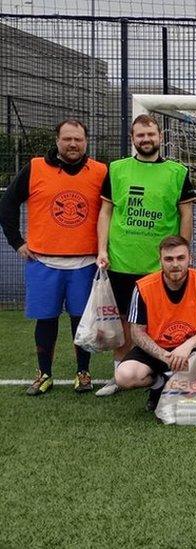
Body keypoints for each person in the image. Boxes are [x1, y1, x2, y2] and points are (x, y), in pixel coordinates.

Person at [0, 119, 106, 395]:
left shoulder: (100, 171)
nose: (73, 144)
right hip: (43, 261)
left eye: (78, 140)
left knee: (80, 320)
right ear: (57, 141)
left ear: (86, 142)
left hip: (85, 262)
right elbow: (7, 204)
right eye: (67, 139)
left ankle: (83, 372)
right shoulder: (35, 168)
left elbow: (110, 212)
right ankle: (44, 373)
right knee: (45, 320)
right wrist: (17, 242)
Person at [94, 114, 195, 397]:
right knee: (123, 318)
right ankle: (120, 370)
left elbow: (186, 215)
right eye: (140, 135)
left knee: (161, 318)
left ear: (160, 137)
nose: (146, 139)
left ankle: (164, 369)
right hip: (122, 259)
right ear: (132, 138)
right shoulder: (116, 169)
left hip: (160, 264)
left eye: (150, 134)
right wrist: (102, 249)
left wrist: (184, 252)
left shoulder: (177, 171)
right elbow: (106, 211)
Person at [113, 236, 196, 412]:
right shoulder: (143, 287)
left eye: (180, 258)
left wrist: (186, 347)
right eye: (169, 259)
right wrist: (166, 357)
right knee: (124, 376)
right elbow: (137, 332)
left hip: (193, 348)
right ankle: (161, 382)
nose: (175, 264)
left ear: (190, 258)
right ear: (160, 260)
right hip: (157, 349)